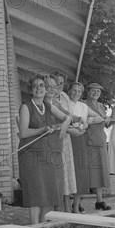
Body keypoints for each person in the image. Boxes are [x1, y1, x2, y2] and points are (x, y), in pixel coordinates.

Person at [18, 73, 71, 224]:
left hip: (46, 153)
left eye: (42, 86)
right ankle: (34, 227)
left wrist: (65, 124)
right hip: (30, 154)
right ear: (30, 90)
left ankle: (43, 227)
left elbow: (66, 117)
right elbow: (23, 133)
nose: (39, 89)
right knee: (36, 193)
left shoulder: (48, 105)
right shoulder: (26, 107)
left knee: (48, 190)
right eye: (35, 86)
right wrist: (43, 130)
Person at [45, 73, 77, 213]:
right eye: (51, 85)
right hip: (52, 142)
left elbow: (67, 115)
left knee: (65, 172)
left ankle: (66, 207)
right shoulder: (44, 103)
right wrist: (68, 128)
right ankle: (58, 209)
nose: (57, 87)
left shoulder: (57, 101)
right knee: (57, 174)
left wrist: (72, 123)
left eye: (60, 84)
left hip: (62, 139)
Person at [84, 82, 112, 210]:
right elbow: (82, 122)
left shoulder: (101, 106)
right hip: (89, 141)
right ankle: (78, 203)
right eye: (93, 91)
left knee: (101, 170)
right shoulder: (84, 105)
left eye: (98, 91)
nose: (96, 93)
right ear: (88, 92)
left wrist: (111, 119)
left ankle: (99, 200)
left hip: (101, 140)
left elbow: (105, 124)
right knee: (90, 171)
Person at [66, 82, 90, 213]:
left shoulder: (83, 106)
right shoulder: (65, 103)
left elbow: (86, 122)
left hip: (79, 138)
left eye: (79, 91)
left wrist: (84, 126)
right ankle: (65, 206)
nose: (76, 93)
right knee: (68, 171)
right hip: (68, 137)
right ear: (69, 91)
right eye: (74, 90)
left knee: (80, 171)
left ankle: (76, 206)